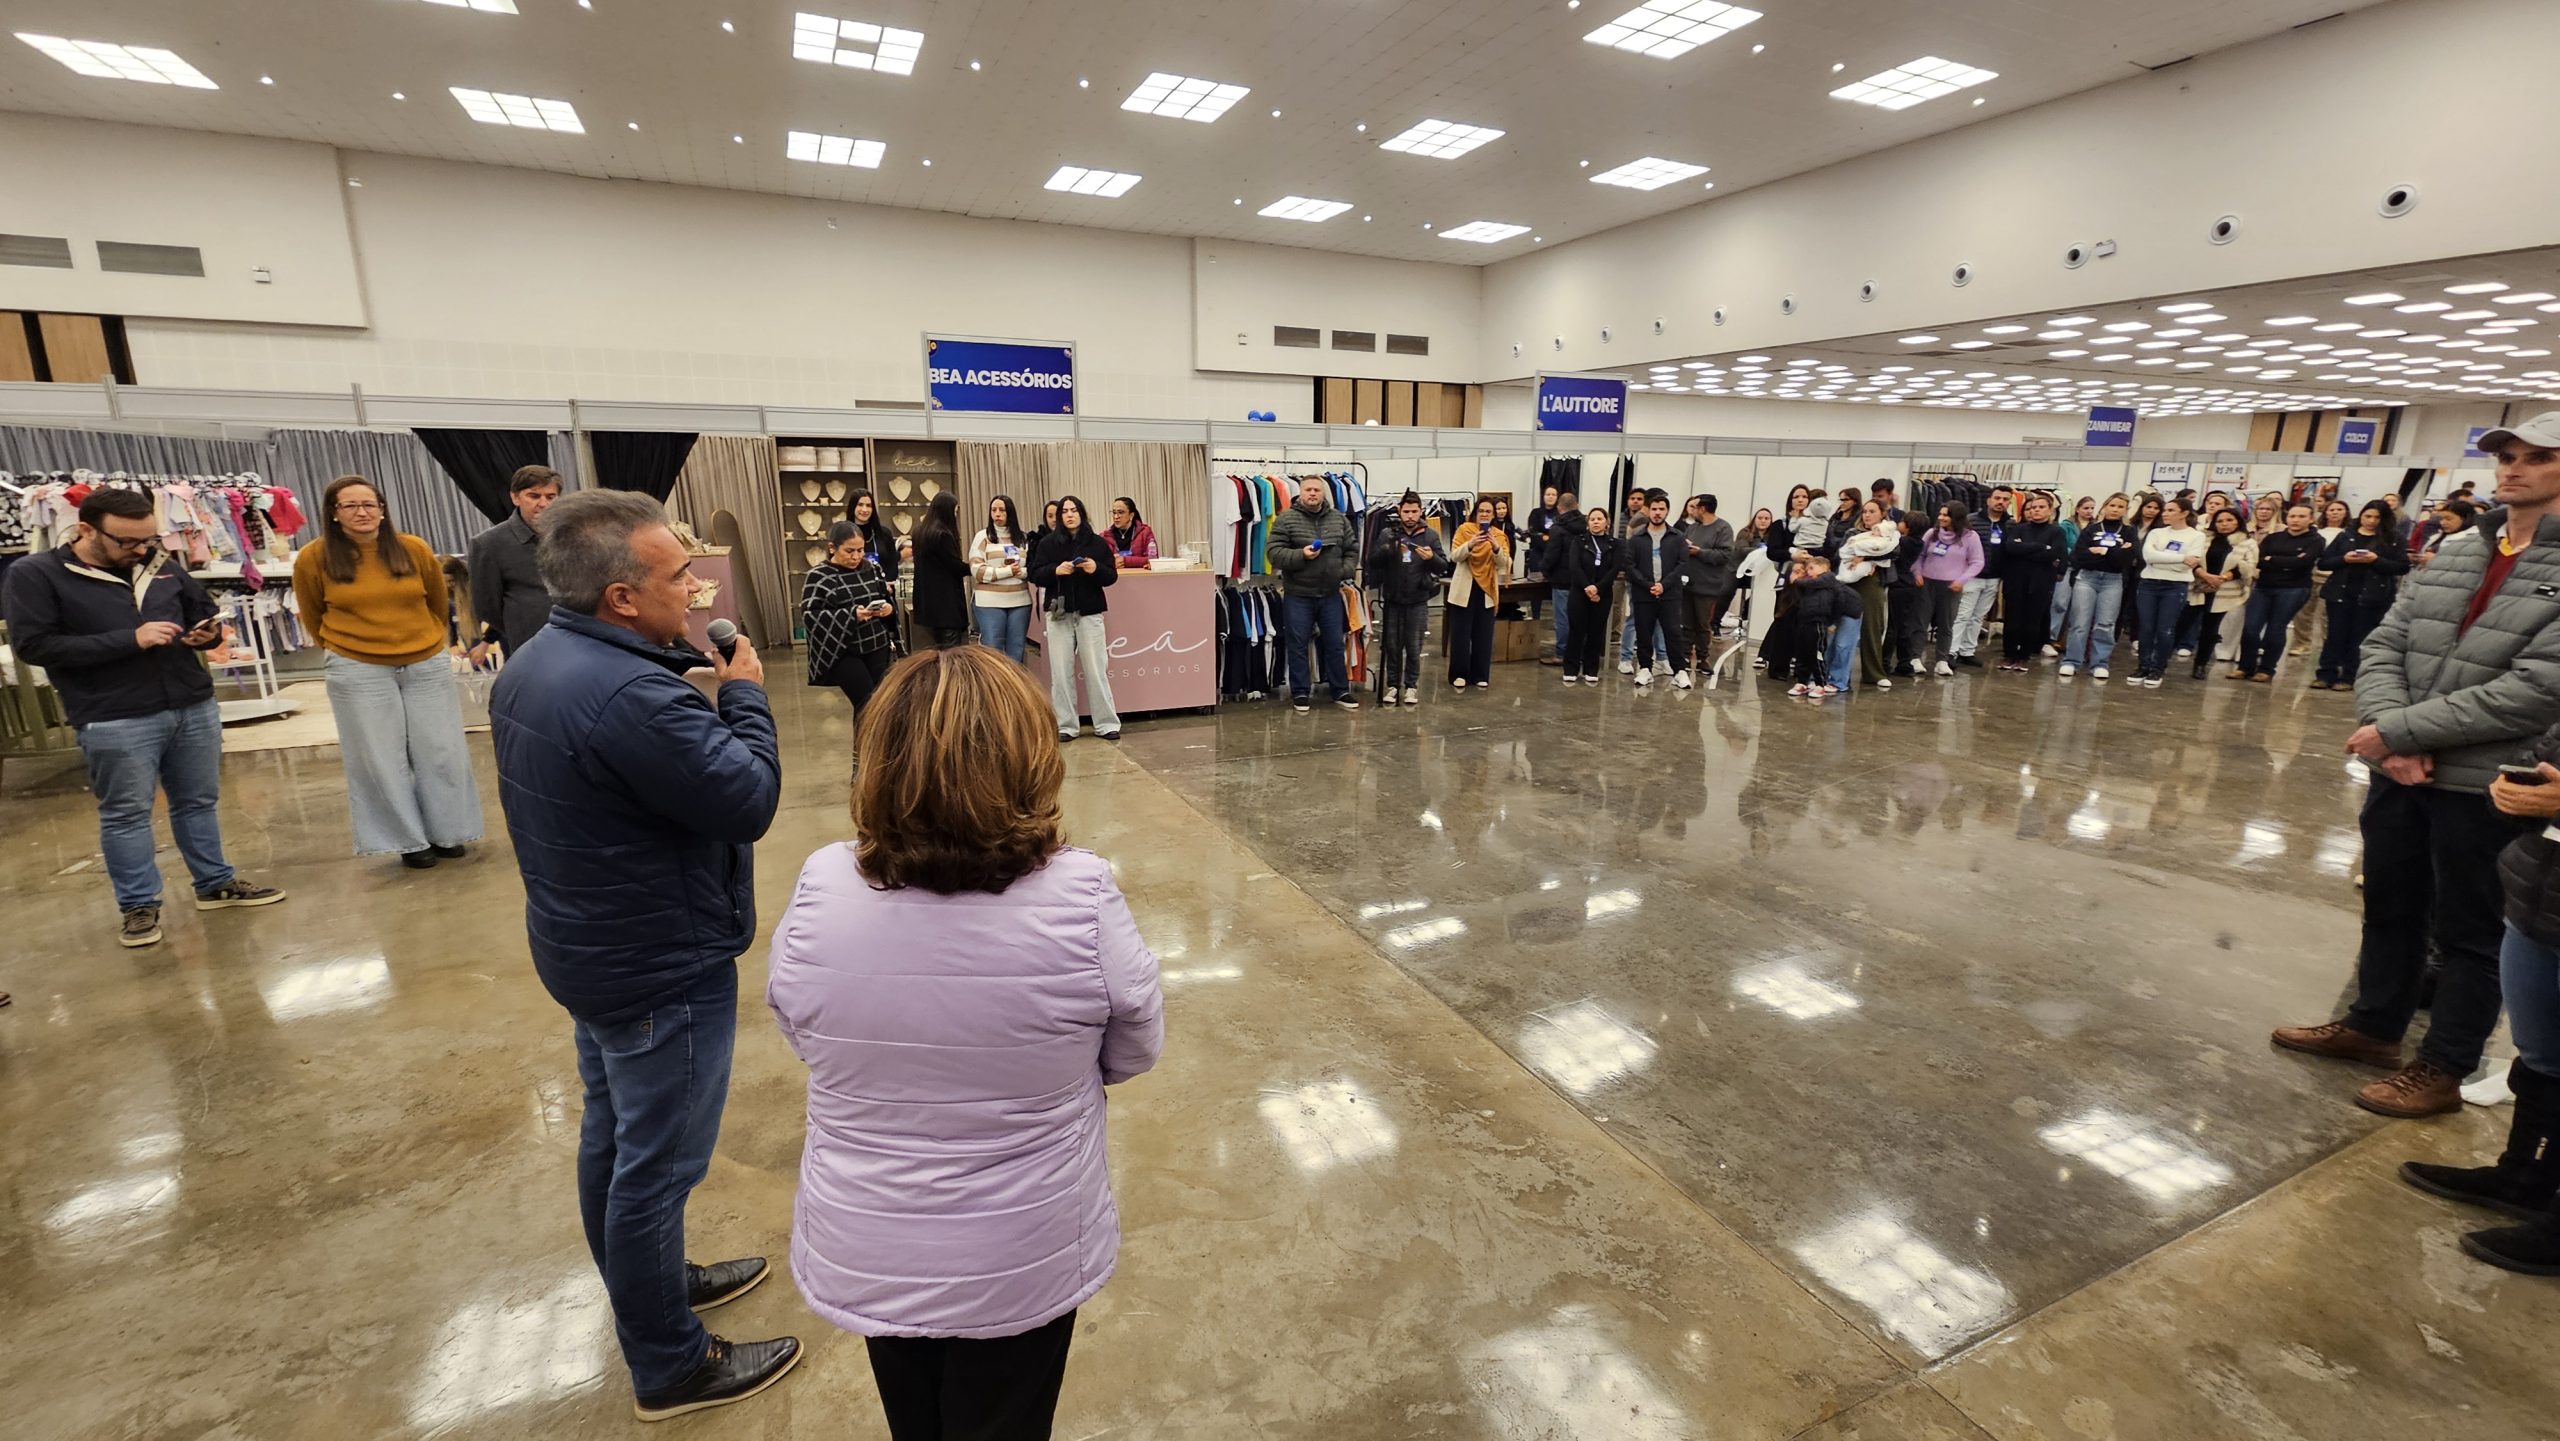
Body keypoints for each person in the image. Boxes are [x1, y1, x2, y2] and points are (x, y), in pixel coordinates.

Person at [767, 645, 1162, 1440]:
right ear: (1030, 760)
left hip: (873, 1239)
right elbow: (1135, 1043)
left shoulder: (822, 884)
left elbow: (802, 1027)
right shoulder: (1081, 894)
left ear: (878, 761)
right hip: (1020, 1247)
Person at [487, 489, 796, 1422]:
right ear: (620, 596)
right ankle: (670, 1362)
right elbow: (747, 798)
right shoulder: (633, 696)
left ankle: (653, 1284)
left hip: (591, 943)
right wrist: (744, 695)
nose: (697, 589)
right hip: (660, 959)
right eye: (679, 575)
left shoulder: (540, 660)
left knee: (615, 1138)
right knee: (655, 1166)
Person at [2274, 413, 2560, 1119]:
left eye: (2537, 457)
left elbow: (2537, 689)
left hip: (2489, 778)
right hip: (2399, 768)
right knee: (2391, 904)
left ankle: (2444, 1065)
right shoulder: (2462, 548)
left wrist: (2397, 731)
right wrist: (2390, 736)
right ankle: (2374, 1026)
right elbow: (2384, 643)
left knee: (2469, 931)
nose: (2513, 468)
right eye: (2508, 455)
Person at [0, 486, 285, 947]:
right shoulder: (36, 574)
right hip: (114, 714)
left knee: (198, 802)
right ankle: (138, 906)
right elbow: (35, 646)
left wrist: (208, 636)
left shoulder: (158, 562)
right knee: (127, 814)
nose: (139, 550)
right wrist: (130, 639)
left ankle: (215, 883)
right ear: (86, 530)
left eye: (147, 540)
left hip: (190, 703)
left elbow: (201, 611)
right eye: (126, 542)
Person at [2401, 721, 2560, 1273]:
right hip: (2538, 903)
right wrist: (2511, 795)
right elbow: (2538, 764)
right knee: (2540, 1059)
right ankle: (2524, 1178)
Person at [292, 476, 483, 869]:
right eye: (350, 505)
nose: (362, 512)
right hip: (357, 667)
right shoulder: (314, 557)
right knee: (378, 757)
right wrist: (345, 647)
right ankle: (408, 841)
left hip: (424, 662)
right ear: (333, 513)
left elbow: (437, 603)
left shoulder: (413, 549)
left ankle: (449, 832)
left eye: (370, 504)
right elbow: (313, 614)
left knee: (441, 750)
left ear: (382, 509)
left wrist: (429, 641)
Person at [1029, 495, 1122, 739]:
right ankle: (1066, 725)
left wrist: (1095, 569)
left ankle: (1106, 723)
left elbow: (1111, 576)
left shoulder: (1097, 543)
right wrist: (1055, 570)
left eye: (1074, 510)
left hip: (1089, 613)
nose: (1069, 515)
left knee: (1096, 670)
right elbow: (1035, 574)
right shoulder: (1048, 544)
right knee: (1060, 672)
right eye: (1064, 511)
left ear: (1081, 513)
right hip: (1059, 614)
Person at [465, 463, 563, 664]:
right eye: (534, 496)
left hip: (579, 643)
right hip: (528, 648)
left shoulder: (573, 535)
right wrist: (521, 624)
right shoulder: (488, 544)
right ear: (515, 498)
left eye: (550, 497)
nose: (543, 503)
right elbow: (486, 607)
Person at [2312, 501, 2409, 691]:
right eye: (2368, 516)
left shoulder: (2393, 538)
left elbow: (2402, 566)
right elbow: (2324, 563)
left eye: (2377, 517)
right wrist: (2344, 559)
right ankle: (2325, 674)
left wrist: (2376, 560)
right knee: (2334, 635)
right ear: (2361, 515)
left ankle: (2349, 676)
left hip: (2373, 595)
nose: (2371, 521)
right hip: (2340, 593)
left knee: (2360, 637)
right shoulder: (2346, 535)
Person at [803, 521, 899, 713]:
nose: (856, 556)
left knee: (882, 703)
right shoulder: (819, 576)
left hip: (877, 645)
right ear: (832, 548)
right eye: (849, 551)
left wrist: (888, 609)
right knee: (866, 703)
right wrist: (851, 615)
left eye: (860, 550)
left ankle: (875, 734)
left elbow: (886, 598)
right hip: (843, 650)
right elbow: (811, 617)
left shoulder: (871, 569)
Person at [1368, 490, 1447, 706]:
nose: (1410, 516)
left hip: (1418, 599)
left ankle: (1411, 686)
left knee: (1414, 646)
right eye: (1406, 512)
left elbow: (1443, 566)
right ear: (1399, 511)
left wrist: (1431, 558)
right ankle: (1393, 685)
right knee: (1391, 646)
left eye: (1414, 511)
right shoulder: (1387, 533)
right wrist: (1389, 549)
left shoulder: (1430, 535)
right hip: (1392, 599)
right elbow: (1373, 561)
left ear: (1420, 511)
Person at [2235, 501, 2322, 682]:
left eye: (2301, 516)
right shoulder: (2273, 538)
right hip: (2264, 586)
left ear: (2311, 519)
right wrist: (2286, 561)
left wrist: (2273, 559)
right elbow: (2259, 560)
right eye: (2292, 516)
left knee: (2275, 628)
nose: (2295, 520)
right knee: (2251, 627)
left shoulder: (2316, 540)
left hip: (2294, 588)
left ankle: (2267, 669)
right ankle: (2245, 666)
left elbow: (2302, 563)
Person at [2126, 497, 2204, 688]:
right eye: (2165, 510)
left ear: (2184, 513)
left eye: (2171, 510)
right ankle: (2143, 665)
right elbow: (2148, 557)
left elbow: (2189, 564)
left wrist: (2163, 559)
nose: (2165, 513)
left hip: (2175, 586)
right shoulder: (2156, 533)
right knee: (2146, 627)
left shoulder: (2196, 536)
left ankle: (2157, 668)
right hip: (2149, 584)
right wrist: (2180, 558)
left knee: (2165, 629)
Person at [1620, 490, 1694, 689]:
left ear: (1667, 511)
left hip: (1670, 594)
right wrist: (1648, 585)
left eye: (1661, 509)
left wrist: (1664, 585)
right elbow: (1630, 565)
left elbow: (1682, 564)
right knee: (1644, 631)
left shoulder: (1677, 537)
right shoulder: (1637, 538)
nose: (1657, 513)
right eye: (1654, 509)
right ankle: (1645, 668)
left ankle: (1679, 671)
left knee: (1673, 632)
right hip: (1644, 593)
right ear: (1649, 510)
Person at [2059, 493, 2136, 680]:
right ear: (2105, 507)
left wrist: (2101, 551)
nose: (2115, 509)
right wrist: (2114, 552)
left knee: (2105, 624)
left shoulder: (2129, 532)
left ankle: (2099, 663)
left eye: (2120, 506)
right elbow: (2078, 556)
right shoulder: (2091, 529)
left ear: (2125, 510)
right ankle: (2072, 661)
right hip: (2087, 578)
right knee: (2079, 623)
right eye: (2112, 505)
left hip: (2113, 580)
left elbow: (2125, 560)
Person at [1994, 492, 2067, 672]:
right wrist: (2040, 547)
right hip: (2016, 580)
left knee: (2032, 621)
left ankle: (2024, 656)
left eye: (2041, 507)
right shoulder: (2018, 528)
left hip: (2040, 582)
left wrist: (2025, 550)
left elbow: (2054, 553)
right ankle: (2009, 654)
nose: (2036, 510)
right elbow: (2011, 548)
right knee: (2012, 620)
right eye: (2033, 507)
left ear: (2050, 510)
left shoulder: (2056, 531)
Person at [2181, 508, 2254, 680]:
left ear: (2238, 522)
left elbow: (2248, 566)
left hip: (2224, 591)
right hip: (2198, 586)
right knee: (2182, 623)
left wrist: (2222, 578)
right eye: (2220, 521)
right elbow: (2191, 558)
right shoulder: (2204, 538)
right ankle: (2160, 661)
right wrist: (2205, 575)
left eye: (2229, 520)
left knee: (2210, 629)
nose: (2224, 524)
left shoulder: (2247, 542)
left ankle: (2200, 665)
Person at [1446, 496, 1511, 691]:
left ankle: (1480, 674)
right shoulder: (1464, 530)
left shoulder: (1499, 535)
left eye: (1488, 512)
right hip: (1463, 590)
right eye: (1481, 511)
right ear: (1475, 513)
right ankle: (1459, 674)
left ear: (1493, 515)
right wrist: (1470, 544)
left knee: (1483, 635)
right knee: (1460, 635)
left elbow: (1504, 563)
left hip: (1486, 590)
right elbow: (1454, 556)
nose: (1484, 514)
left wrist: (1495, 547)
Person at [1549, 508, 1618, 686]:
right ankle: (1571, 669)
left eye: (1599, 519)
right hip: (1580, 592)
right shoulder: (1578, 541)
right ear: (1587, 523)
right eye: (1592, 519)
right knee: (1576, 631)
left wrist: (1598, 588)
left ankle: (1591, 669)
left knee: (1596, 632)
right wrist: (1587, 587)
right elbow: (1574, 566)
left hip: (1603, 593)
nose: (1596, 522)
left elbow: (1614, 569)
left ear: (1606, 522)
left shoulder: (1614, 544)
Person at [1913, 502, 1982, 678]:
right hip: (1926, 583)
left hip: (1951, 586)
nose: (1941, 518)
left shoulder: (1970, 537)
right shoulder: (1931, 534)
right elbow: (1919, 555)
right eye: (1940, 514)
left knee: (1946, 624)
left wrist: (1961, 580)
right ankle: (1915, 658)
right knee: (1921, 621)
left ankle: (1942, 660)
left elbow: (1977, 562)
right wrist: (1917, 573)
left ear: (1956, 517)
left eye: (1946, 515)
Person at [1949, 486, 2014, 668]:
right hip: (1971, 577)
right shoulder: (1971, 521)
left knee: (1978, 617)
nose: (2000, 502)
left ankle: (1967, 651)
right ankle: (1951, 651)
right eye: (1997, 498)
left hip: (1994, 578)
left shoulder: (2011, 525)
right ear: (1988, 500)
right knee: (1963, 615)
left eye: (2005, 499)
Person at [1838, 499, 1898, 689]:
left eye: (1872, 511)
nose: (1867, 515)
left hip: (1873, 582)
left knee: (1873, 626)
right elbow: (1844, 552)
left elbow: (1893, 551)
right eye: (1865, 511)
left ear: (1882, 513)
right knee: (1844, 627)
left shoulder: (1889, 534)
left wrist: (1866, 557)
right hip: (1849, 579)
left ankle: (1874, 673)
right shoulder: (1853, 533)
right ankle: (1839, 674)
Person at [1786, 555, 1863, 700]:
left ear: (1824, 568)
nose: (1808, 572)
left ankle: (1838, 682)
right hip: (1831, 614)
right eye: (1807, 569)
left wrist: (1796, 580)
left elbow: (1836, 601)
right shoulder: (1813, 584)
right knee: (1826, 646)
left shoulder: (1826, 579)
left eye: (1812, 568)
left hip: (1850, 611)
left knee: (1842, 646)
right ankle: (1820, 678)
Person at [901, 491, 971, 650]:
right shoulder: (943, 535)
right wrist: (976, 567)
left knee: (934, 652)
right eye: (955, 511)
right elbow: (955, 566)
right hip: (946, 607)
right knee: (950, 653)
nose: (955, 515)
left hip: (927, 606)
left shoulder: (919, 532)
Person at [967, 495, 1033, 663]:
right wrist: (1006, 572)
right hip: (989, 602)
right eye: (993, 510)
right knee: (992, 650)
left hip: (1019, 601)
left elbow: (1033, 568)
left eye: (1002, 510)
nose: (997, 514)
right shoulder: (982, 536)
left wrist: (1020, 572)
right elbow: (977, 570)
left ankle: (1014, 681)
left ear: (1010, 512)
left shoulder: (1023, 539)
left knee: (1017, 650)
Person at [1675, 493, 1734, 676]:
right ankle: (1685, 656)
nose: (1691, 511)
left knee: (1702, 624)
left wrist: (1700, 552)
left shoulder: (1723, 528)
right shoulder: (1692, 528)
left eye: (1695, 507)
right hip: (1688, 583)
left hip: (1708, 585)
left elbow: (1725, 555)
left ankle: (1702, 658)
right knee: (1686, 622)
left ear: (1703, 509)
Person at [2292, 497, 2353, 660]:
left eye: (2339, 510)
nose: (2335, 513)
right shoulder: (2316, 532)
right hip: (2311, 575)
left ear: (2346, 513)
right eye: (2332, 510)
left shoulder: (2349, 534)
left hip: (2335, 578)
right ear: (2325, 513)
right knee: (2303, 612)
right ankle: (2302, 643)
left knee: (2329, 616)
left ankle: (2329, 646)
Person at [1884, 509, 1930, 681]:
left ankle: (1885, 662)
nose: (1899, 523)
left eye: (1902, 521)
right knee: (1904, 626)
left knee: (1892, 627)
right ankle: (1904, 663)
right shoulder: (1918, 543)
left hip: (1898, 585)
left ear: (1909, 526)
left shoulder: (1903, 542)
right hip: (1908, 585)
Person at [1542, 487, 1580, 666]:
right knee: (1579, 618)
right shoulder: (1586, 526)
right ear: (1577, 505)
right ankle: (1578, 653)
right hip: (1582, 580)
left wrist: (1545, 571)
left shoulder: (1557, 529)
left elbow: (1552, 555)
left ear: (1559, 507)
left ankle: (1561, 653)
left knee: (1562, 619)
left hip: (1561, 579)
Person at [1106, 496, 1158, 569]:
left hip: (1139, 575)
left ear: (1131, 515)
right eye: (1114, 513)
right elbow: (1099, 562)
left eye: (1120, 512)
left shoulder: (1145, 532)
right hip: (1115, 576)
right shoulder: (1105, 535)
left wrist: (1126, 561)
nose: (1116, 516)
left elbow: (1153, 559)